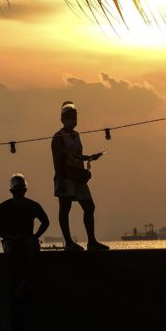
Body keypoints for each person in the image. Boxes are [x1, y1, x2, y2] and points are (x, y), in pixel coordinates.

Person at [51, 101, 108, 251]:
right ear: (62, 119)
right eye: (69, 117)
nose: (72, 120)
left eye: (74, 117)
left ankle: (92, 241)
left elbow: (76, 155)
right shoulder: (58, 137)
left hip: (78, 177)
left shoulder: (76, 135)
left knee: (89, 207)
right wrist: (62, 180)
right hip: (65, 177)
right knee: (65, 208)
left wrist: (89, 157)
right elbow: (57, 160)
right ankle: (69, 243)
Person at [0, 173, 50, 296]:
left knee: (32, 255)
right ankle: (21, 285)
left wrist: (34, 237)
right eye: (18, 189)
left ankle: (21, 286)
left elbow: (46, 222)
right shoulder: (4, 207)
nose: (20, 192)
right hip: (10, 241)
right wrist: (15, 238)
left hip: (25, 239)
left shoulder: (6, 206)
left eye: (21, 189)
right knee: (13, 254)